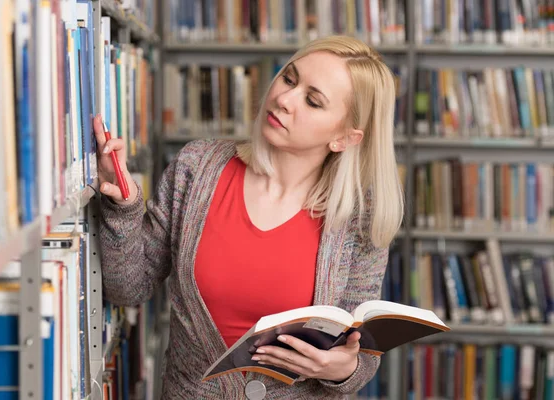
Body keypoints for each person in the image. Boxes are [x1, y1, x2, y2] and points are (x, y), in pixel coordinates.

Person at [93, 34, 403, 399]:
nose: (284, 99)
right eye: (289, 78)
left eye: (313, 101)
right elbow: (128, 288)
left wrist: (344, 369)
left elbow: (360, 353)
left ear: (344, 138)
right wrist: (123, 206)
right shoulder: (197, 169)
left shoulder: (357, 218)